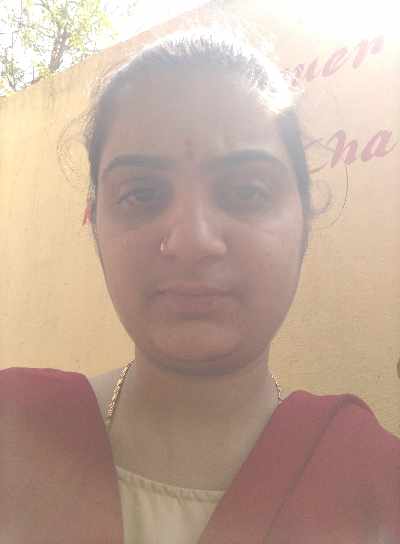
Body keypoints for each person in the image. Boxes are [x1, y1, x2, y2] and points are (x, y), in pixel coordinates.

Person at [1, 27, 399, 544]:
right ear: (94, 222)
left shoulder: (378, 487)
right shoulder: (13, 433)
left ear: (305, 218)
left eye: (247, 191)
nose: (192, 241)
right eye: (141, 194)